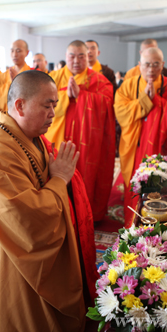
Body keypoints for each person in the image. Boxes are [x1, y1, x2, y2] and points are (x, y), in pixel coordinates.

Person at [0, 70, 98, 332]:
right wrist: (60, 179)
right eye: (47, 106)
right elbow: (28, 221)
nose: (53, 114)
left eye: (55, 105)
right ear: (19, 105)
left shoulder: (31, 138)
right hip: (19, 258)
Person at [115, 47, 167, 227]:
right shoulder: (128, 86)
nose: (151, 69)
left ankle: (156, 228)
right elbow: (121, 112)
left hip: (159, 147)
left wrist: (159, 103)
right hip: (133, 146)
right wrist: (144, 101)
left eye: (156, 64)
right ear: (139, 65)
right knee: (133, 188)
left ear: (162, 65)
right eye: (147, 64)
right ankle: (130, 225)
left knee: (157, 188)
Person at [45, 40, 115, 221]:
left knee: (85, 177)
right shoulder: (52, 77)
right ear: (66, 56)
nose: (76, 60)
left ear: (88, 56)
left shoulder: (100, 81)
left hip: (87, 142)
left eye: (81, 56)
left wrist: (82, 96)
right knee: (55, 175)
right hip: (57, 139)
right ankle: (56, 212)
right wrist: (64, 95)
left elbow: (107, 103)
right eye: (72, 56)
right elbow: (41, 101)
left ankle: (86, 215)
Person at [0, 39, 30, 112]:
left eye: (18, 51)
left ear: (27, 52)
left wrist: (18, 82)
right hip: (5, 116)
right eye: (12, 51)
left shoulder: (32, 74)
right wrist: (10, 83)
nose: (14, 55)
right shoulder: (3, 76)